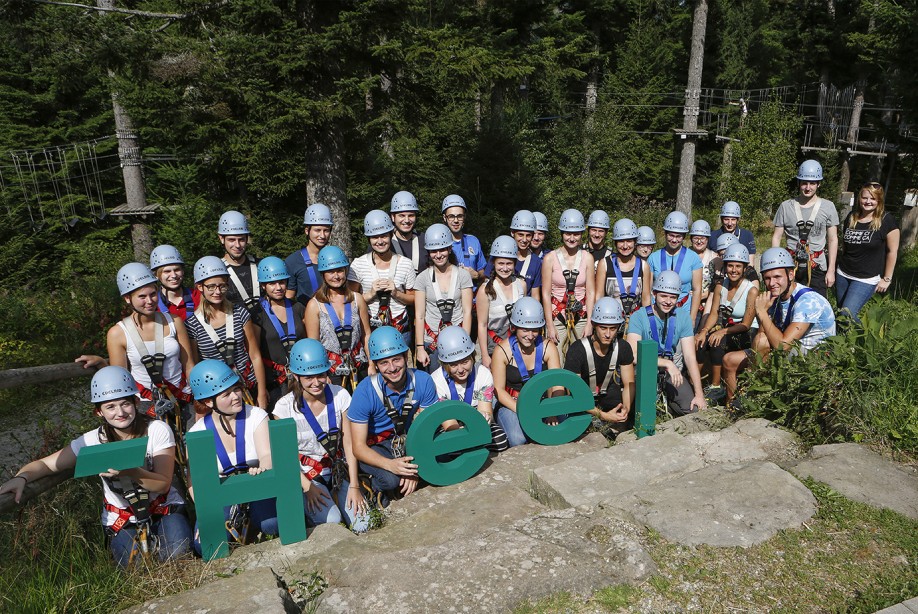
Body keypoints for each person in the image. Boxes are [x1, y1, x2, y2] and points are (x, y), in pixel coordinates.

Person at [0, 367, 191, 568]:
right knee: (134, 567)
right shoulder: (91, 441)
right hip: (123, 515)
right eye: (110, 407)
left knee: (177, 555)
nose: (120, 412)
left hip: (161, 507)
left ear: (136, 402)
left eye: (125, 403)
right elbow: (46, 464)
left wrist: (131, 471)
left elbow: (162, 484)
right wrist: (21, 477)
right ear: (99, 411)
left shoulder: (157, 430)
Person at [272, 339, 370, 532]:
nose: (316, 383)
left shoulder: (340, 395)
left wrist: (355, 486)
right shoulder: (283, 409)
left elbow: (348, 443)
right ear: (297, 376)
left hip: (337, 471)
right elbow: (284, 456)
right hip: (307, 476)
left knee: (364, 524)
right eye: (308, 377)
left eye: (321, 375)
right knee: (332, 522)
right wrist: (307, 488)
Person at [721, 248, 836, 407]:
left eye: (777, 277)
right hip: (785, 348)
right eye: (767, 278)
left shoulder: (808, 301)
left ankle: (752, 396)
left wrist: (760, 311)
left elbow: (783, 346)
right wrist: (765, 313)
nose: (772, 283)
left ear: (790, 274)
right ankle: (732, 405)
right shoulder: (775, 297)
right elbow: (761, 336)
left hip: (812, 354)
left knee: (762, 343)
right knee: (729, 360)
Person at [187, 360, 277, 551]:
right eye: (226, 394)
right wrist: (206, 512)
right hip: (223, 496)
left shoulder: (256, 416)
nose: (236, 396)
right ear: (208, 402)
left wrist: (264, 468)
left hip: (256, 485)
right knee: (204, 544)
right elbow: (194, 482)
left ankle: (253, 524)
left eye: (236, 389)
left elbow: (267, 454)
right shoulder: (197, 433)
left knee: (271, 524)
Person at [347, 326, 439, 506]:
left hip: (407, 439)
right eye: (384, 363)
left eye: (396, 359)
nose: (392, 368)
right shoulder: (365, 392)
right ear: (375, 365)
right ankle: (373, 485)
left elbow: (429, 430)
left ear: (406, 357)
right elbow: (357, 447)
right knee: (391, 480)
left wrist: (414, 470)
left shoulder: (422, 381)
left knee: (440, 456)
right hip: (376, 446)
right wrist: (391, 465)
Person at [107, 263, 195, 428]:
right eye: (142, 297)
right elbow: (121, 380)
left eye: (153, 294)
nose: (149, 301)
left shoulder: (174, 321)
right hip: (147, 404)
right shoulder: (117, 333)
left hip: (182, 397)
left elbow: (188, 364)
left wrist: (200, 396)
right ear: (127, 298)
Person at [185, 256, 269, 410]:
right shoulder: (193, 325)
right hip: (218, 393)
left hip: (248, 385)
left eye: (222, 286)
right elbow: (195, 365)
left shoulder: (240, 313)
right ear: (199, 287)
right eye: (211, 287)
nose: (217, 292)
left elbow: (255, 355)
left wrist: (262, 393)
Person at [626, 270, 707, 416]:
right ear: (654, 294)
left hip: (671, 374)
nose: (668, 301)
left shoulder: (683, 316)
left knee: (694, 410)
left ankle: (669, 408)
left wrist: (699, 394)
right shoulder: (638, 317)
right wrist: (667, 363)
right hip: (645, 371)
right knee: (644, 415)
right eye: (663, 295)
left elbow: (690, 357)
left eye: (673, 297)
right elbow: (632, 356)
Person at [491, 296, 562, 447]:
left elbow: (557, 384)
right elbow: (499, 390)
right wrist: (523, 410)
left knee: (560, 427)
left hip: (542, 401)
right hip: (512, 403)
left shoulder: (548, 347)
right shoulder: (502, 350)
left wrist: (552, 410)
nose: (530, 336)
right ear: (515, 326)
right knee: (518, 439)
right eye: (525, 330)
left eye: (535, 330)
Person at [694, 244, 759, 404]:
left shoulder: (751, 290)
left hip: (746, 331)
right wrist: (704, 330)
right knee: (701, 343)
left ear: (744, 268)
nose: (734, 270)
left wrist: (722, 332)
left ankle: (716, 387)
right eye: (730, 266)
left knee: (718, 342)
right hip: (728, 327)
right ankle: (694, 383)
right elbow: (714, 313)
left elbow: (746, 324)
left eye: (738, 266)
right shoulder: (720, 287)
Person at [563, 298, 635, 436]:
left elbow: (629, 384)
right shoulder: (577, 350)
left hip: (607, 392)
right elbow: (573, 393)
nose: (608, 334)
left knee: (623, 420)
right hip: (581, 399)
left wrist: (626, 408)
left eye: (613, 329)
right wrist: (603, 415)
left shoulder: (623, 347)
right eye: (603, 328)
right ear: (594, 325)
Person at [430, 326, 508, 452]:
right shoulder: (436, 381)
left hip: (476, 424)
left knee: (501, 440)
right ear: (445, 364)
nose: (460, 370)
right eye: (453, 364)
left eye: (465, 362)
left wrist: (485, 418)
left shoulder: (483, 374)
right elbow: (449, 424)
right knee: (447, 444)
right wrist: (463, 436)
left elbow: (486, 411)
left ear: (472, 357)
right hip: (452, 426)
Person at [306, 246, 372, 391]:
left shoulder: (357, 299)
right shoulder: (314, 305)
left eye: (340, 270)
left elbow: (366, 335)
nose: (336, 276)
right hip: (332, 370)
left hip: (359, 365)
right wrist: (321, 374)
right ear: (323, 274)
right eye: (331, 272)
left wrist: (372, 364)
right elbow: (314, 344)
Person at [348, 210, 416, 348]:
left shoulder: (406, 264)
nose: (380, 241)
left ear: (391, 235)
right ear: (369, 239)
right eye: (374, 237)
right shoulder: (358, 265)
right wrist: (371, 294)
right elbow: (350, 301)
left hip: (399, 327)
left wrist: (396, 293)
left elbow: (413, 298)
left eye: (384, 236)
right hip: (371, 327)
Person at [772, 159, 839, 297]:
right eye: (804, 183)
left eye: (812, 183)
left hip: (817, 265)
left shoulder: (828, 207)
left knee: (817, 306)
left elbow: (833, 239)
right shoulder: (786, 206)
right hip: (790, 265)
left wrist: (831, 269)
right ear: (799, 183)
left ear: (818, 184)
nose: (808, 187)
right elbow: (776, 237)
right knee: (787, 304)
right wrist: (775, 265)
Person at [835, 182, 900, 323]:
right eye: (865, 198)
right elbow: (845, 245)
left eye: (873, 199)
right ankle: (843, 343)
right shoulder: (852, 217)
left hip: (866, 278)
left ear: (879, 200)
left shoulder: (887, 220)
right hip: (843, 273)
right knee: (841, 314)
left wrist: (887, 279)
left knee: (848, 314)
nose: (868, 202)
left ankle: (861, 339)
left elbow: (892, 251)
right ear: (860, 199)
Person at [414, 224, 474, 372]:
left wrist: (464, 341)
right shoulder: (422, 278)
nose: (438, 255)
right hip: (432, 340)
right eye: (434, 251)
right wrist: (420, 347)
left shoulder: (463, 275)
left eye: (442, 249)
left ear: (449, 249)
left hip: (457, 339)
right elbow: (420, 315)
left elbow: (467, 311)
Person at [252, 256, 306, 411]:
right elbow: (254, 353)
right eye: (272, 283)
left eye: (282, 282)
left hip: (300, 377)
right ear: (263, 286)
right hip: (273, 381)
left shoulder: (298, 308)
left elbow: (308, 340)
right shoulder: (257, 314)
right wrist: (261, 390)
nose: (278, 287)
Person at [541, 209, 595, 359]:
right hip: (557, 315)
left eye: (576, 234)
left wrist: (590, 322)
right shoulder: (550, 259)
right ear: (562, 234)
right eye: (567, 233)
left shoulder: (587, 258)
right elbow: (545, 293)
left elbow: (590, 292)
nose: (572, 238)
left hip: (581, 315)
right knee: (557, 358)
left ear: (581, 234)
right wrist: (550, 325)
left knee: (581, 359)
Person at [476, 236, 528, 368]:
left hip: (519, 343)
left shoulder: (521, 285)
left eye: (509, 263)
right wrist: (485, 355)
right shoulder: (485, 290)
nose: (505, 268)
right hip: (495, 344)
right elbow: (482, 325)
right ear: (493, 263)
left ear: (515, 264)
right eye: (501, 263)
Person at [596, 218, 652, 330]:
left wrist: (648, 324)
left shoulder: (644, 266)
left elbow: (646, 299)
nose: (625, 246)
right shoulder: (605, 264)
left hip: (635, 322)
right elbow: (599, 296)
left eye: (629, 241)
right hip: (610, 322)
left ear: (635, 242)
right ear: (615, 242)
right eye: (621, 241)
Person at [649, 211, 703, 324]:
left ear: (684, 236)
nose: (674, 240)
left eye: (678, 236)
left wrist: (692, 318)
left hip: (683, 311)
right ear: (665, 234)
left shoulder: (693, 258)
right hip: (658, 313)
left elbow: (697, 289)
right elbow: (648, 290)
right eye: (671, 235)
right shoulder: (654, 257)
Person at [285, 203, 333, 305]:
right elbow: (289, 296)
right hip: (307, 317)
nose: (322, 235)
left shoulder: (337, 258)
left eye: (326, 230)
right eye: (317, 230)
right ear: (307, 231)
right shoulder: (293, 261)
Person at [217, 210, 261, 314]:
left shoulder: (260, 265)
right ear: (221, 239)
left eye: (241, 240)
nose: (237, 245)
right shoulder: (217, 271)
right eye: (231, 240)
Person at [442, 194, 486, 289]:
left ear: (464, 217)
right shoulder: (439, 244)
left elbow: (483, 272)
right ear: (444, 218)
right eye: (451, 216)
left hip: (472, 298)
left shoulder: (473, 241)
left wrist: (476, 275)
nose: (456, 220)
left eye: (460, 216)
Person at [496, 209, 542, 297]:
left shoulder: (535, 261)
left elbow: (535, 295)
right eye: (520, 235)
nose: (524, 240)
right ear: (512, 233)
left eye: (528, 235)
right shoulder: (499, 253)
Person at [150, 244, 200, 321]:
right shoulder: (152, 304)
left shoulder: (198, 297)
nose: (173, 275)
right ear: (156, 275)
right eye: (167, 271)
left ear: (183, 271)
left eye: (177, 270)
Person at [389, 191, 430, 274]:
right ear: (393, 217)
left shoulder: (425, 240)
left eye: (411, 215)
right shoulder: (384, 243)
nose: (407, 220)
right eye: (402, 215)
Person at [689, 219, 719, 329]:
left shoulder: (714, 258)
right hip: (688, 303)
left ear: (707, 239)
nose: (699, 241)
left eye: (702, 238)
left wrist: (703, 295)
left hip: (707, 303)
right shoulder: (685, 255)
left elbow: (717, 285)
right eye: (696, 238)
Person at [710, 201, 758, 269]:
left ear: (738, 220)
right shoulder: (712, 236)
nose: (730, 223)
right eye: (726, 219)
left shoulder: (747, 235)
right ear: (721, 219)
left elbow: (750, 263)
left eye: (733, 219)